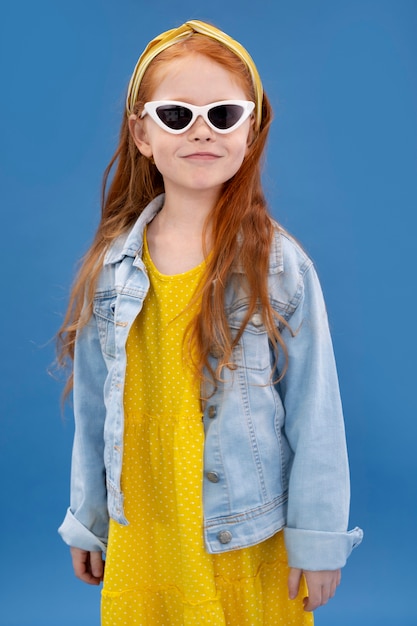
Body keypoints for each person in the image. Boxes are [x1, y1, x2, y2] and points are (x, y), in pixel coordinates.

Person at [57, 19, 363, 625]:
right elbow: (94, 408)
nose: (202, 131)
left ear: (250, 131)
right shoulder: (112, 268)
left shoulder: (278, 265)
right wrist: (87, 520)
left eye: (223, 114)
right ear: (142, 132)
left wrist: (319, 538)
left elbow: (315, 409)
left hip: (240, 532)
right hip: (146, 528)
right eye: (176, 115)